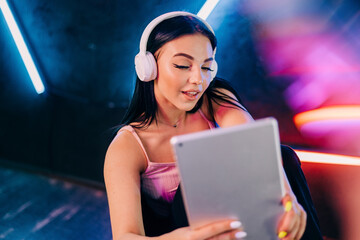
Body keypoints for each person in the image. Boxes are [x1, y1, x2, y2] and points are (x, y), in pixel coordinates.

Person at [104, 11, 308, 240]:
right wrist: (190, 237)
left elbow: (250, 139)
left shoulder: (213, 99)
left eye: (206, 67)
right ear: (148, 67)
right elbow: (125, 236)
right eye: (182, 65)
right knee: (188, 191)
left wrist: (287, 199)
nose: (198, 80)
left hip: (232, 226)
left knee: (282, 156)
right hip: (179, 236)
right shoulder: (127, 147)